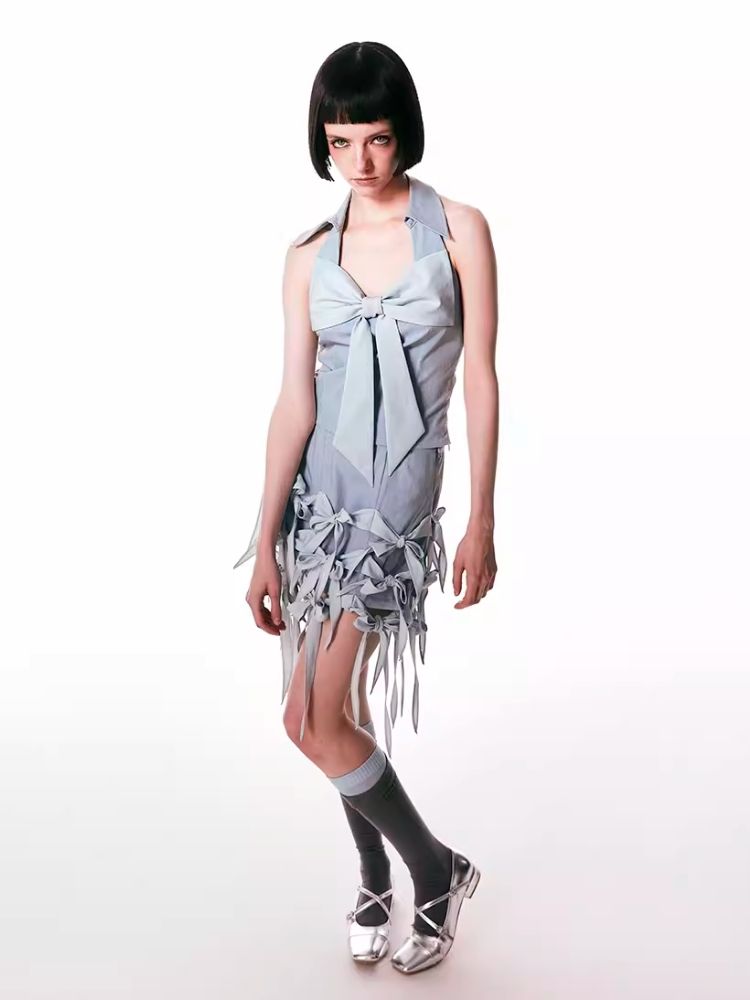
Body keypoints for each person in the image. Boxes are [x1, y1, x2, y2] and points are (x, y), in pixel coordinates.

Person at [233, 40, 498, 974]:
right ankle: (375, 873)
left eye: (376, 138)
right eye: (340, 141)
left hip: (397, 503)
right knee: (331, 711)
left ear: (403, 134)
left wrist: (481, 518)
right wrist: (265, 538)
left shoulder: (458, 230)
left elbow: (480, 379)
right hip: (319, 497)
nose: (360, 160)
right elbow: (293, 402)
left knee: (307, 721)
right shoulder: (308, 255)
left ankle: (434, 867)